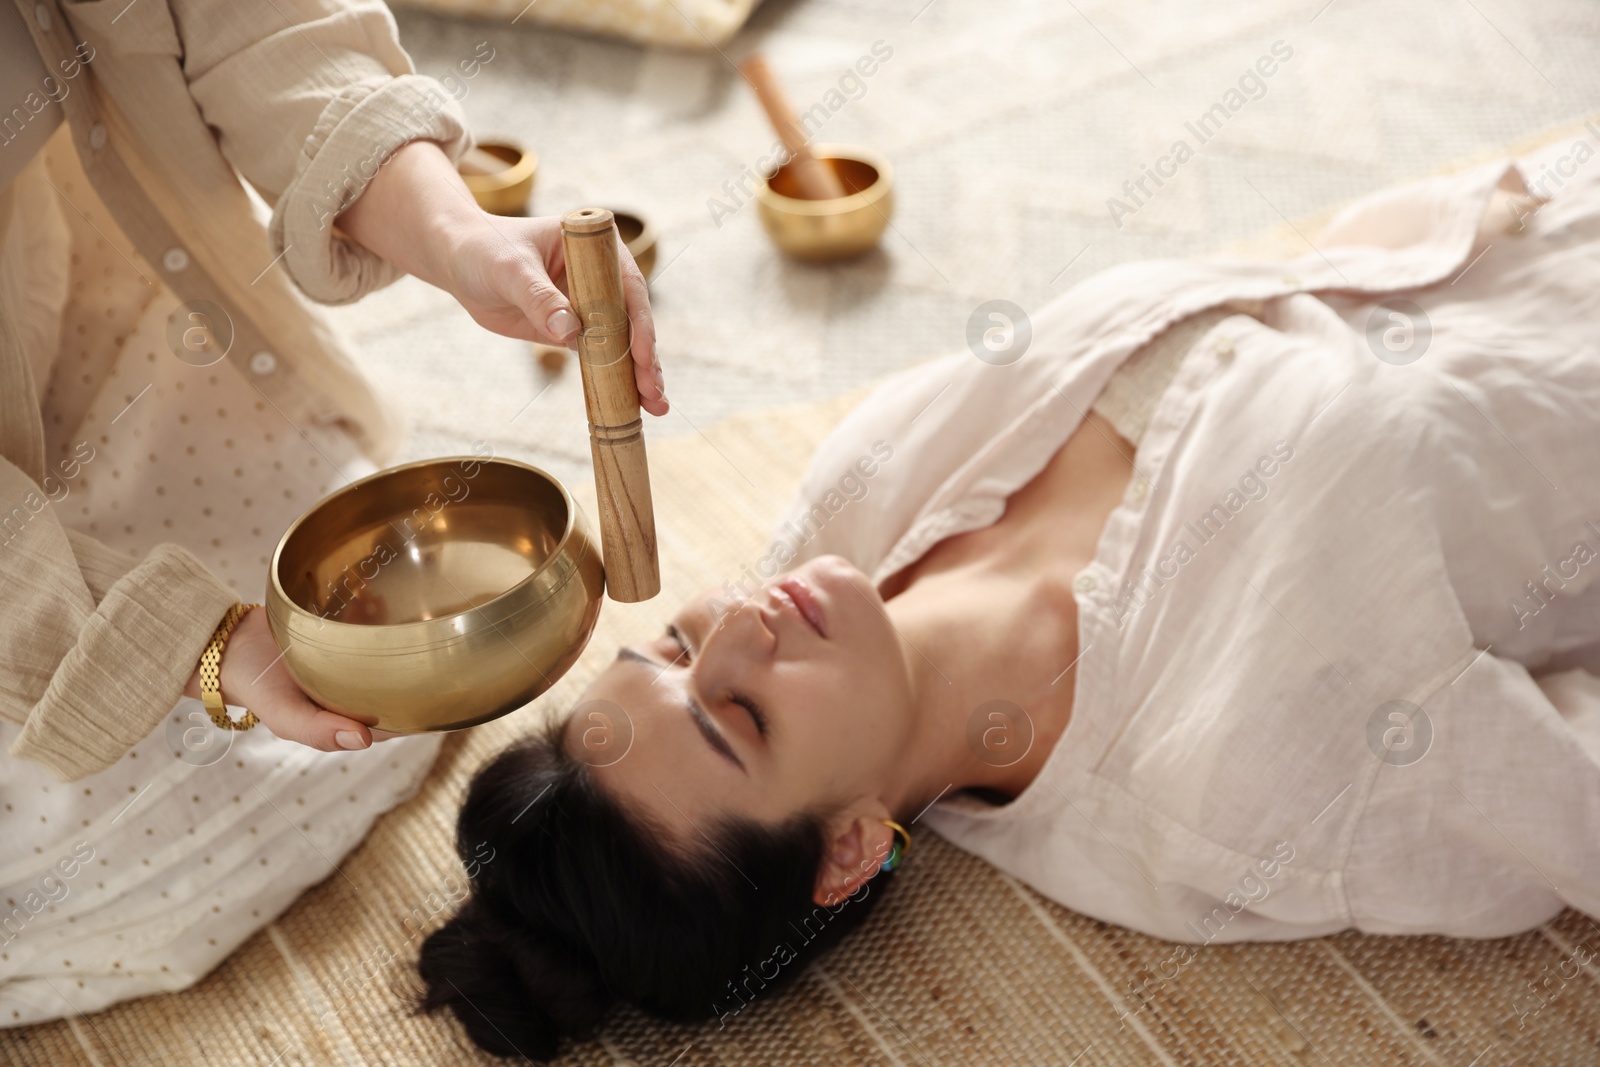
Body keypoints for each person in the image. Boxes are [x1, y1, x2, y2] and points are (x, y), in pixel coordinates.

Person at [419, 142, 1600, 1061]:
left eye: (672, 641)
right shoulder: (1231, 792)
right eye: (740, 715)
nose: (740, 625)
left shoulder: (857, 494)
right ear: (844, 849)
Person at [0, 0, 663, 1026]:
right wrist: (203, 648)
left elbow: (252, 25)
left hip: (41, 299)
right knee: (87, 800)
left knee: (324, 507)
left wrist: (457, 234)